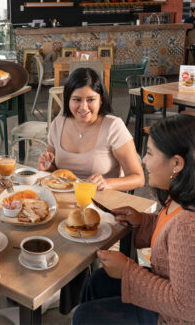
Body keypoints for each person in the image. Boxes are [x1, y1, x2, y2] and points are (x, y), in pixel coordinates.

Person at [72, 114, 195, 325]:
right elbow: (167, 233)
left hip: (171, 319)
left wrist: (129, 271)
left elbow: (186, 306)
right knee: (99, 280)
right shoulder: (178, 199)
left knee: (84, 316)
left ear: (176, 163)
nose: (144, 160)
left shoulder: (188, 226)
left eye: (149, 153)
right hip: (167, 288)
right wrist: (142, 221)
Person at [38, 67, 144, 191]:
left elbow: (138, 178)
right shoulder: (58, 123)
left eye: (91, 100)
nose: (83, 107)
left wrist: (106, 183)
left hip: (103, 204)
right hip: (65, 201)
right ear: (68, 100)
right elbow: (55, 171)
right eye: (76, 99)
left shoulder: (113, 127)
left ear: (101, 101)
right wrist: (47, 166)